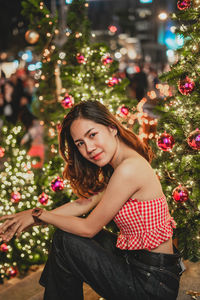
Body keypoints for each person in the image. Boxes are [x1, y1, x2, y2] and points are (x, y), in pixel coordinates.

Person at [0, 100, 184, 300]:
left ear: (112, 128)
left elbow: (88, 228)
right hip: (141, 266)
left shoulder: (128, 169)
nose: (89, 148)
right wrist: (32, 216)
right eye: (80, 143)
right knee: (65, 239)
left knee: (66, 241)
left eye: (92, 135)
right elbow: (85, 203)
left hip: (151, 285)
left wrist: (41, 215)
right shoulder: (121, 163)